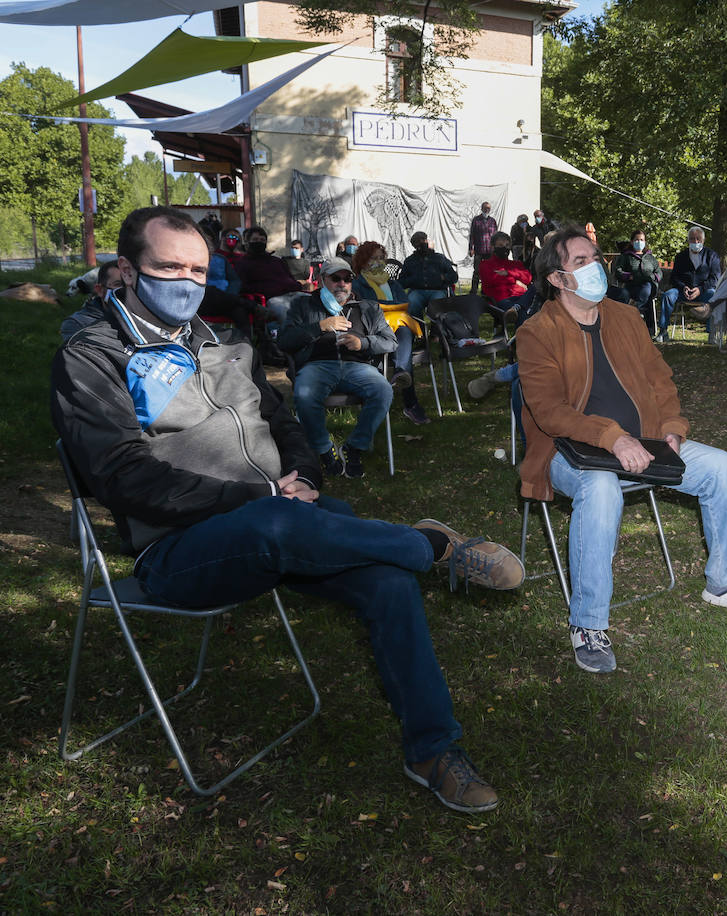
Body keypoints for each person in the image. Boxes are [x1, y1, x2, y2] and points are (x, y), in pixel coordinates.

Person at [51, 206, 523, 814]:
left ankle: (433, 751)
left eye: (198, 270)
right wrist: (263, 497)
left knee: (386, 583)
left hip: (281, 515)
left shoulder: (220, 343)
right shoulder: (91, 357)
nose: (188, 283)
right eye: (170, 267)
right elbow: (121, 475)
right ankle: (430, 547)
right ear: (127, 269)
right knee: (287, 525)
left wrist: (302, 473)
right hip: (179, 550)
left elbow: (282, 420)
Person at [516, 227, 727, 674]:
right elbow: (550, 412)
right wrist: (612, 437)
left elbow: (661, 381)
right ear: (558, 279)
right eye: (581, 262)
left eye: (595, 257)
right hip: (571, 456)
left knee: (720, 465)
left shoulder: (624, 317)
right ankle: (588, 624)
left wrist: (671, 431)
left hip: (645, 446)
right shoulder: (537, 332)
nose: (595, 266)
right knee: (601, 488)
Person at [277, 257, 397, 479]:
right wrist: (319, 327)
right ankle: (324, 449)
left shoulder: (368, 307)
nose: (342, 283)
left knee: (383, 390)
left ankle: (354, 447)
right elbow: (284, 340)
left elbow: (390, 341)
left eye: (347, 278)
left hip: (357, 365)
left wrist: (363, 343)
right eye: (336, 278)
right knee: (304, 394)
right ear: (323, 280)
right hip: (317, 364)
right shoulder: (304, 304)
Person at [352, 241, 431, 425]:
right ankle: (410, 402)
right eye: (374, 258)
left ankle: (400, 373)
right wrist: (391, 308)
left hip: (398, 327)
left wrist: (387, 307)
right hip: (372, 329)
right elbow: (367, 306)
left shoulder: (393, 283)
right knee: (401, 338)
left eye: (381, 258)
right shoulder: (358, 284)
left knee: (403, 329)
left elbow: (406, 303)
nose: (379, 262)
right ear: (363, 261)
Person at [236, 225, 311, 328]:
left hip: (292, 293)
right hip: (272, 299)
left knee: (315, 304)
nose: (259, 242)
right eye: (255, 239)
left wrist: (296, 285)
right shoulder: (244, 263)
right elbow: (243, 287)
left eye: (262, 240)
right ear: (248, 242)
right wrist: (269, 288)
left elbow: (290, 278)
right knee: (288, 313)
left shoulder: (277, 261)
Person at [660, 226, 722, 341]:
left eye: (698, 239)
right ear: (688, 241)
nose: (696, 242)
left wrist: (700, 289)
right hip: (682, 292)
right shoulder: (680, 256)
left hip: (704, 292)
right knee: (667, 296)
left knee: (714, 296)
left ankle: (712, 332)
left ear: (703, 240)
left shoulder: (712, 256)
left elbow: (715, 278)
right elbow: (674, 277)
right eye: (692, 239)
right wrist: (683, 287)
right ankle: (663, 331)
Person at [610, 230, 662, 334]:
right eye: (637, 240)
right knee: (625, 295)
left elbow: (659, 272)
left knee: (647, 289)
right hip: (631, 286)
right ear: (632, 241)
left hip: (648, 287)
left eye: (642, 240)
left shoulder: (650, 258)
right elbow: (618, 271)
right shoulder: (626, 257)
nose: (639, 242)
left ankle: (636, 309)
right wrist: (628, 276)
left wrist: (654, 277)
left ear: (645, 241)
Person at [398, 231, 459, 319]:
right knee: (412, 302)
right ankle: (419, 330)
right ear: (414, 245)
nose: (422, 243)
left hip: (438, 290)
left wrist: (442, 278)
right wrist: (413, 280)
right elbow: (401, 282)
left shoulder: (439, 258)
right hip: (417, 291)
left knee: (437, 304)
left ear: (427, 241)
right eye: (418, 241)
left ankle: (437, 330)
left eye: (424, 240)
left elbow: (454, 277)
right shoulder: (410, 261)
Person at [60, 261, 122, 342]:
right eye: (118, 284)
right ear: (99, 290)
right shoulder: (77, 324)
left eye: (132, 285)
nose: (127, 290)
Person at [478, 231, 532, 307]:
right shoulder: (485, 264)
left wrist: (508, 273)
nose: (504, 248)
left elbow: (528, 278)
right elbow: (492, 281)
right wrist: (516, 281)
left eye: (507, 245)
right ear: (493, 247)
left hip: (522, 297)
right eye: (500, 245)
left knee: (536, 289)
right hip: (502, 300)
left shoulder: (516, 264)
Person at [468, 202, 498, 294]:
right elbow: (472, 235)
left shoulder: (493, 221)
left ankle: (486, 291)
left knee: (488, 272)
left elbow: (496, 236)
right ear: (481, 209)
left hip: (490, 251)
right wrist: (470, 248)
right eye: (485, 208)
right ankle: (473, 291)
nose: (487, 210)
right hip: (479, 250)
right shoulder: (476, 220)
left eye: (488, 208)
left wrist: (496, 248)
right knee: (477, 271)